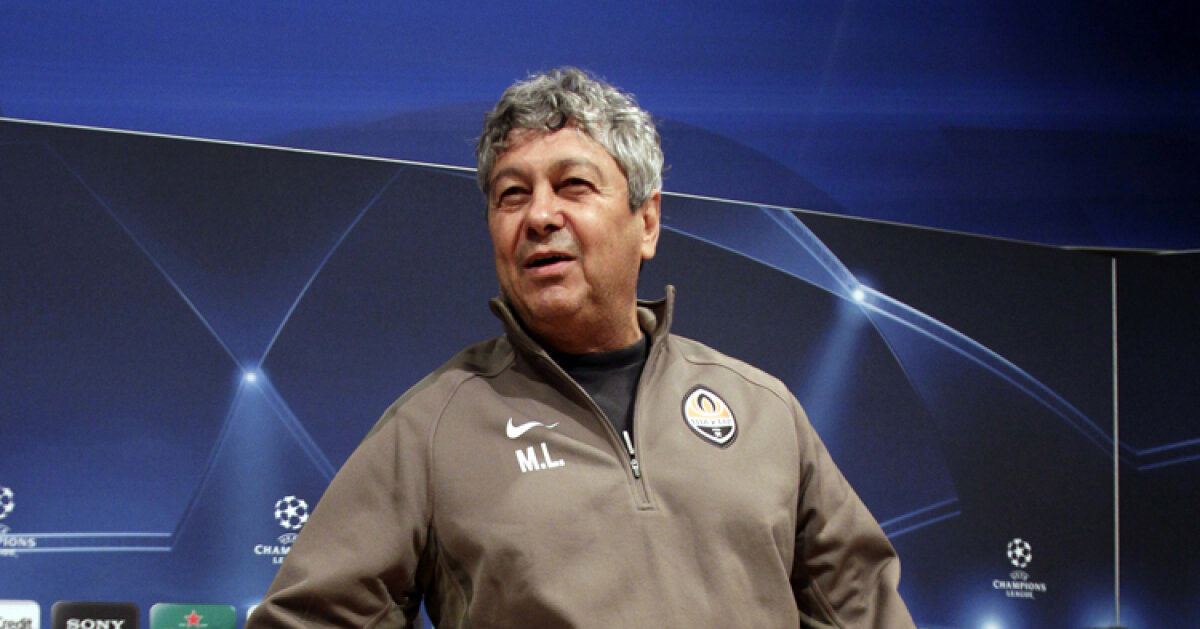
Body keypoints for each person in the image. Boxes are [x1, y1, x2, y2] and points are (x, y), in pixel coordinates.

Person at [249, 67, 917, 628]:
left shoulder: (765, 412)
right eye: (512, 194)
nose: (540, 216)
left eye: (573, 185)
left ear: (646, 220)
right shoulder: (432, 427)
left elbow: (865, 613)